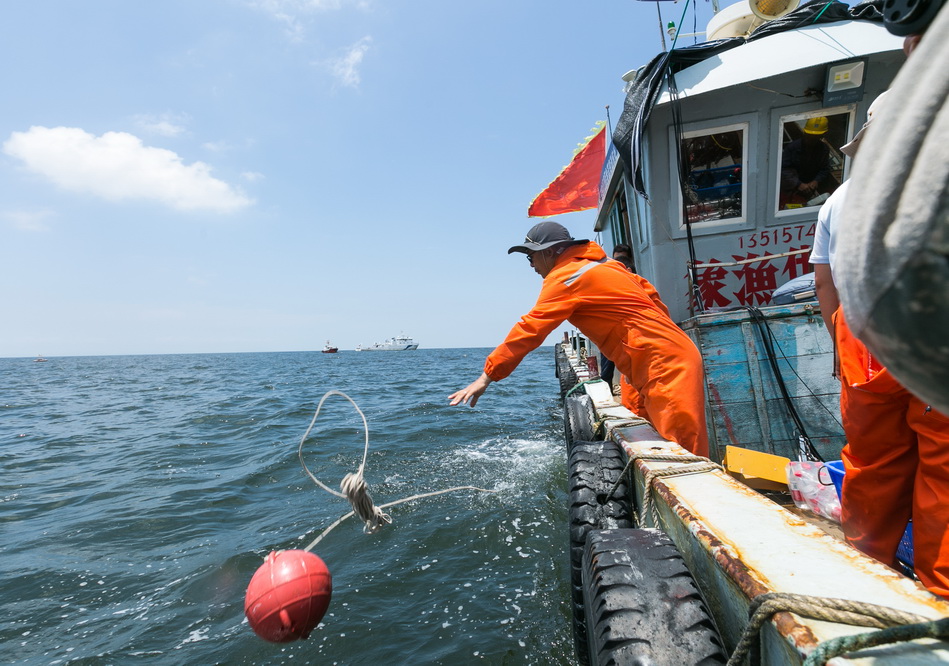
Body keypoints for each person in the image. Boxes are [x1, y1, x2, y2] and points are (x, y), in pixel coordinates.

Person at [815, 83, 949, 596]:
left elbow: (826, 281)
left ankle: (867, 575)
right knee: (942, 468)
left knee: (872, 461)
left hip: (861, 334)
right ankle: (939, 590)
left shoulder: (840, 199)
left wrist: (840, 345)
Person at [448, 221, 709, 457]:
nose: (531, 265)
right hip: (658, 356)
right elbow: (652, 298)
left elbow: (529, 330)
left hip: (661, 363)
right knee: (646, 432)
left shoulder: (565, 277)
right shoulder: (606, 265)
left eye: (530, 257)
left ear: (550, 252)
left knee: (684, 453)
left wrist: (487, 376)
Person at [779, 117, 834, 209]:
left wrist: (816, 181)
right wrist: (798, 184)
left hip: (808, 190)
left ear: (822, 136)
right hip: (789, 189)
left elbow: (824, 169)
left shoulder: (823, 149)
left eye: (815, 137)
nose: (811, 139)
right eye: (810, 136)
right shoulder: (792, 148)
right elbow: (784, 169)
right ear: (805, 133)